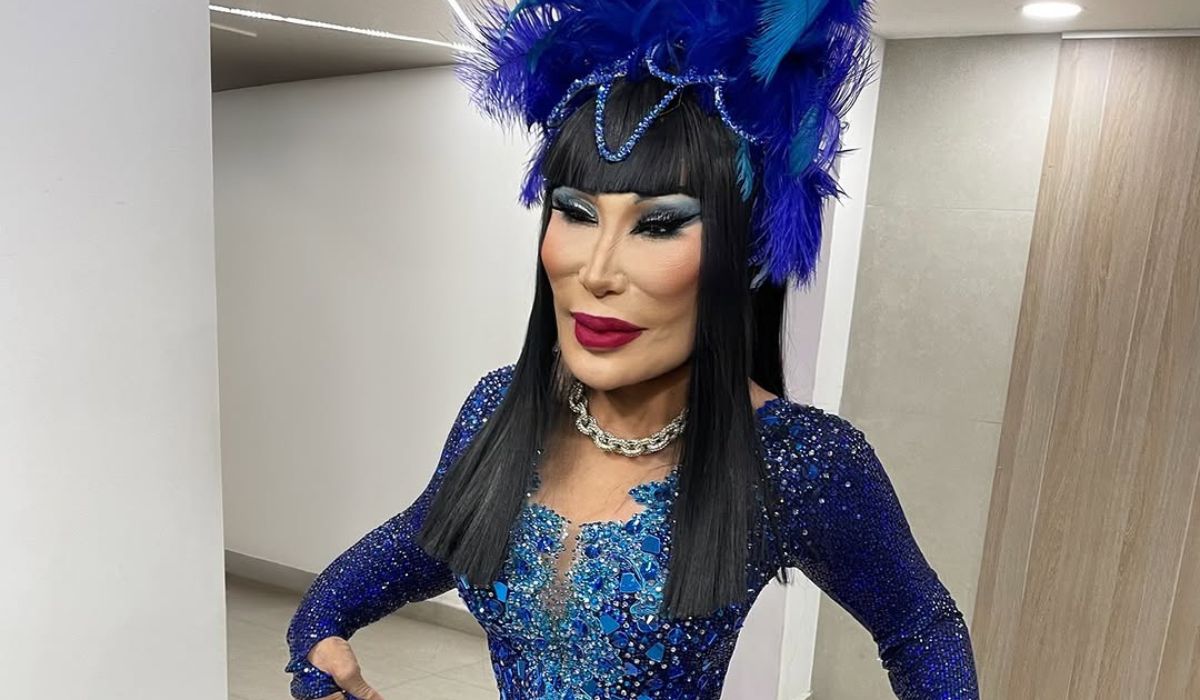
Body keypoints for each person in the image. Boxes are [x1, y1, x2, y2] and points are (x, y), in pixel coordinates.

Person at [284, 1, 980, 698]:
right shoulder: (499, 408)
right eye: (576, 213)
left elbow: (921, 627)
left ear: (745, 254)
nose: (596, 271)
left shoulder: (796, 460)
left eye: (659, 225)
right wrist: (318, 643)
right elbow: (420, 542)